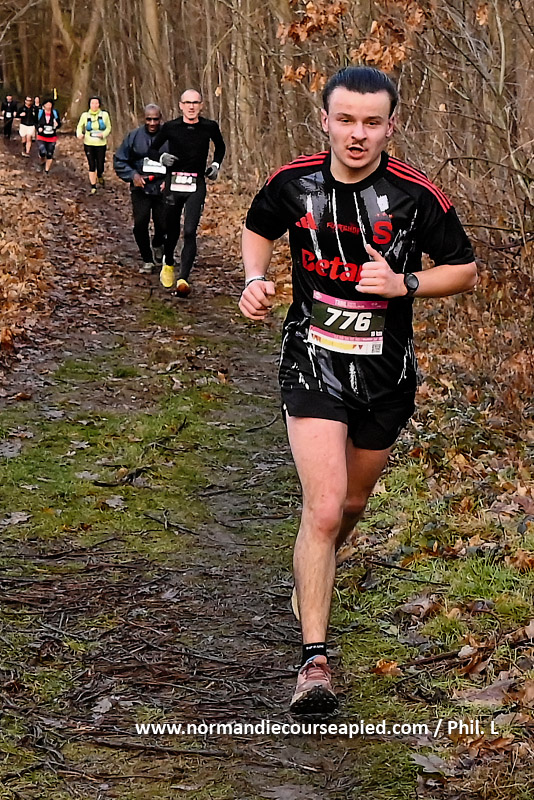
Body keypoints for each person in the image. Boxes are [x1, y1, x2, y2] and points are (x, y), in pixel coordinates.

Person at [239, 66, 477, 717]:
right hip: (311, 361)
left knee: (350, 502)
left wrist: (406, 284)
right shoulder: (294, 183)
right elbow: (257, 227)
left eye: (372, 122)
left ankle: (313, 571)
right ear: (325, 120)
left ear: (391, 126)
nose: (357, 134)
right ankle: (314, 664)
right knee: (322, 509)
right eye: (345, 119)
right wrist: (254, 278)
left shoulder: (415, 196)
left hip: (385, 374)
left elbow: (465, 268)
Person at [147, 89, 225, 296]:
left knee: (190, 231)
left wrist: (215, 165)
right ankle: (168, 262)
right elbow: (152, 150)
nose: (191, 106)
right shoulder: (171, 127)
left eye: (195, 103)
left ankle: (183, 278)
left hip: (196, 183)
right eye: (187, 103)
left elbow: (220, 147)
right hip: (174, 183)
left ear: (201, 105)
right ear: (181, 106)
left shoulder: (209, 126)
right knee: (171, 229)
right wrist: (162, 158)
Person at [113, 104, 168, 274]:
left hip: (162, 187)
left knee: (163, 224)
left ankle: (158, 243)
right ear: (144, 119)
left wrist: (169, 179)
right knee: (140, 224)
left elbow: (180, 161)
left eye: (155, 119)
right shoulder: (134, 136)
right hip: (141, 188)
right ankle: (147, 259)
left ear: (160, 119)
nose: (152, 123)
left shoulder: (169, 137)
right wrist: (133, 175)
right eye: (149, 119)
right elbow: (119, 160)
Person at [76, 96, 112, 195]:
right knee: (92, 164)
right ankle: (93, 186)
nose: (94, 105)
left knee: (100, 165)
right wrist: (79, 134)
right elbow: (79, 126)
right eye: (92, 103)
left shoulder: (104, 115)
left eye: (96, 103)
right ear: (89, 104)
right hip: (89, 143)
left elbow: (108, 128)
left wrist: (103, 134)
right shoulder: (85, 115)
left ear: (99, 104)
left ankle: (99, 175)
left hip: (101, 144)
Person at [36, 99, 61, 175]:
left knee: (50, 154)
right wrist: (38, 128)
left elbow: (59, 124)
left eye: (50, 105)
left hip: (52, 137)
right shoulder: (40, 113)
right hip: (41, 136)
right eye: (47, 105)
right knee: (42, 151)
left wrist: (57, 125)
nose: (49, 106)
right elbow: (35, 122)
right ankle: (42, 162)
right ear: (44, 105)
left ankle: (46, 170)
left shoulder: (55, 113)